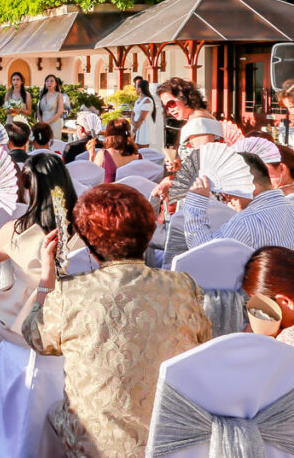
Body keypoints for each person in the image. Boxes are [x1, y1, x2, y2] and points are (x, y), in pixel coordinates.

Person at [22, 184, 211, 456]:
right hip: (169, 437)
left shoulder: (70, 292)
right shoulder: (183, 286)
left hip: (97, 442)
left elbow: (35, 337)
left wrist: (45, 278)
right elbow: (204, 340)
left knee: (53, 414)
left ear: (89, 242)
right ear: (147, 233)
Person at [0, 153, 78, 347]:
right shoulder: (86, 229)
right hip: (72, 320)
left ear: (30, 189)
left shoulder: (17, 231)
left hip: (21, 324)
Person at [185, 152, 294, 251]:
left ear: (246, 184)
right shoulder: (291, 207)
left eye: (227, 191)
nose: (226, 197)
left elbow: (203, 253)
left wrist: (195, 204)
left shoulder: (247, 220)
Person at [157, 77, 219, 160]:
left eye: (171, 103)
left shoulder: (197, 123)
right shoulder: (202, 117)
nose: (169, 110)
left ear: (183, 97)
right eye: (166, 107)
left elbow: (204, 164)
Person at [243, 246, 294, 346]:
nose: (260, 309)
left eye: (264, 304)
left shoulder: (286, 341)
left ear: (285, 301)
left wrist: (253, 337)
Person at [91, 118, 141, 183]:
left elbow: (92, 179)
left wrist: (91, 155)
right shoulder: (140, 157)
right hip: (134, 192)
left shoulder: (103, 155)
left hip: (110, 192)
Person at [37, 74, 65, 140]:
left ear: (55, 83)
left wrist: (47, 123)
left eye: (51, 81)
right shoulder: (42, 95)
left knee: (54, 143)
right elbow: (38, 110)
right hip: (43, 122)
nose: (49, 83)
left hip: (54, 122)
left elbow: (59, 112)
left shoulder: (59, 95)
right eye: (47, 81)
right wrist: (41, 122)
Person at [132, 78, 157, 148]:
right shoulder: (138, 100)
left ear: (140, 89)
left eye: (136, 87)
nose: (135, 89)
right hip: (136, 125)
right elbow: (133, 113)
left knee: (143, 148)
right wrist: (133, 122)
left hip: (144, 128)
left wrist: (136, 127)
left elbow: (142, 117)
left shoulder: (147, 100)